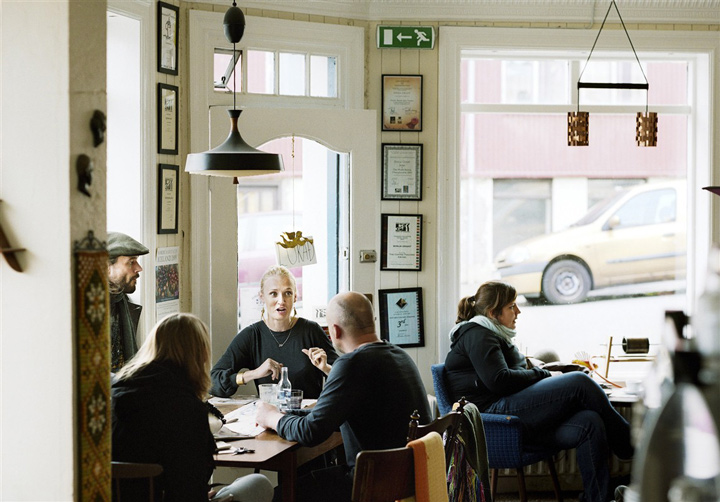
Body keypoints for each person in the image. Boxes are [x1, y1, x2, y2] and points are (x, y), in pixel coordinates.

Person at [444, 281, 633, 502]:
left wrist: (539, 368)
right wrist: (544, 376)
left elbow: (505, 372)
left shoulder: (490, 333)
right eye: (512, 306)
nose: (518, 312)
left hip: (511, 410)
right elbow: (499, 381)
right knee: (580, 383)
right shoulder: (478, 334)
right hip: (496, 418)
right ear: (493, 313)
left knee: (589, 422)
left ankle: (597, 498)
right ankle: (631, 444)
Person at [256, 291, 432, 502]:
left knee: (278, 496)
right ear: (372, 321)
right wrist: (288, 413)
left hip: (369, 485)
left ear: (335, 331)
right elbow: (334, 411)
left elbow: (311, 431)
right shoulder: (399, 355)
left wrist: (271, 418)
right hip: (408, 478)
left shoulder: (351, 364)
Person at [112, 313, 273, 502]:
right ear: (201, 353)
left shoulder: (116, 392)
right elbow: (190, 484)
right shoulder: (187, 409)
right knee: (258, 484)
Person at [211, 266, 338, 399]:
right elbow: (212, 382)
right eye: (273, 294)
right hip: (269, 417)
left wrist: (326, 368)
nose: (281, 301)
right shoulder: (252, 336)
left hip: (308, 417)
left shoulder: (312, 331)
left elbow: (347, 379)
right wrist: (254, 373)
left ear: (295, 297)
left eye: (287, 293)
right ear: (262, 297)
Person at [107, 231, 149, 372]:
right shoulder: (89, 308)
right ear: (106, 268)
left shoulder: (122, 302)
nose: (139, 268)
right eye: (131, 262)